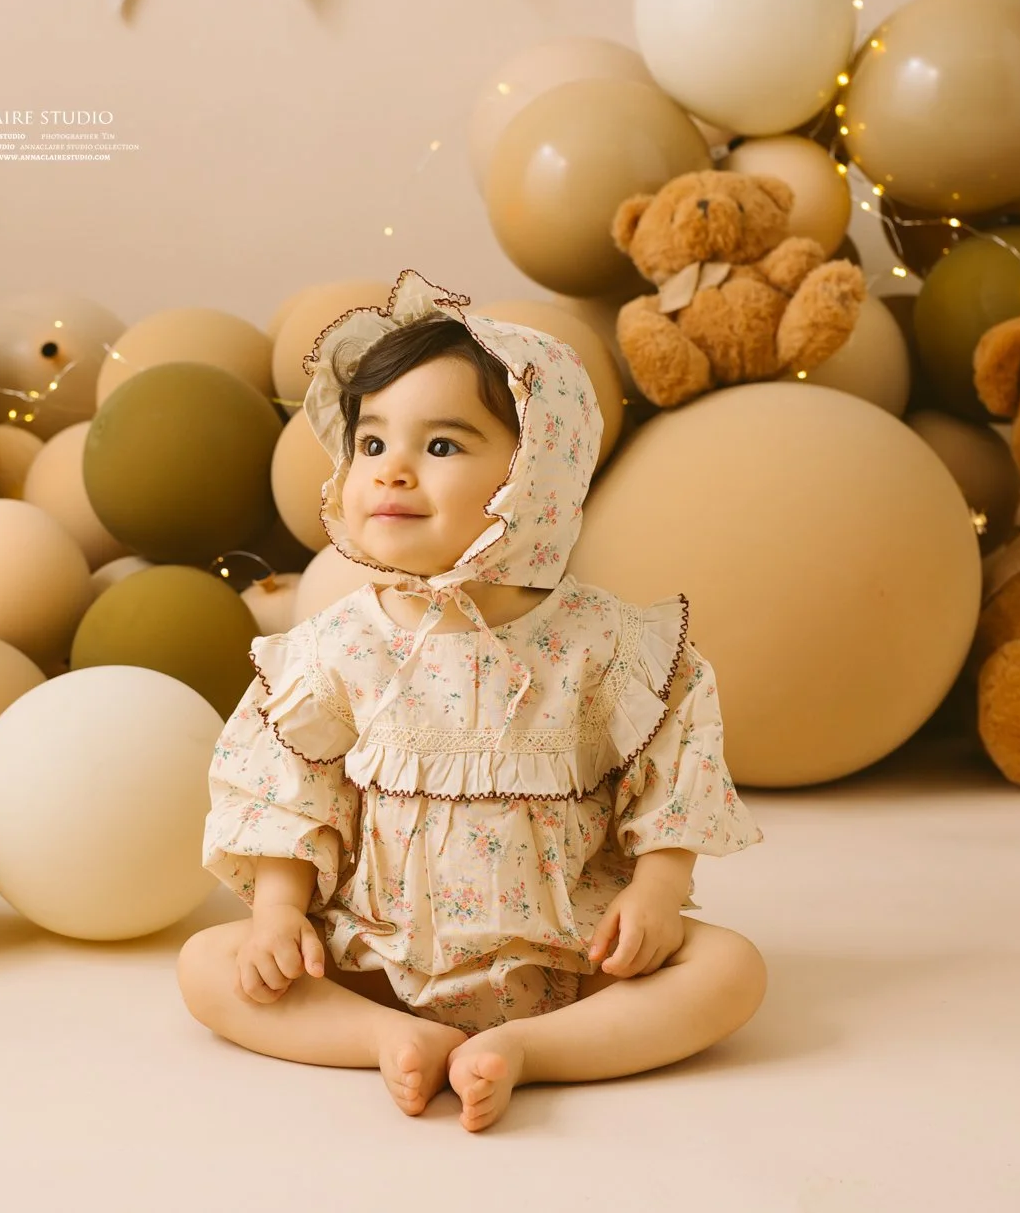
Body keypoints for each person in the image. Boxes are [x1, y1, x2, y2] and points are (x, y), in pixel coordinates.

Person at [177, 270, 765, 1132]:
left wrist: (657, 893)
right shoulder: (342, 644)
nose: (393, 473)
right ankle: (384, 1036)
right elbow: (288, 786)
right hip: (380, 951)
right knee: (208, 964)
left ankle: (535, 1049)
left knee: (731, 969)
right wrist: (276, 913)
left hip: (573, 950)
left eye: (442, 447)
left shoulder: (603, 642)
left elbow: (672, 769)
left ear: (537, 475)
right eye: (372, 445)